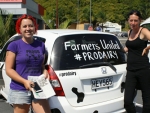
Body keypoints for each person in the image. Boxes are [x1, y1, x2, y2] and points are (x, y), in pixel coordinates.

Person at [5, 14, 51, 113]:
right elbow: (9, 69)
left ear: (35, 27)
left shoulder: (41, 45)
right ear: (20, 29)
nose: (28, 29)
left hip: (38, 86)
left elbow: (41, 65)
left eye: (30, 25)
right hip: (20, 89)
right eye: (24, 26)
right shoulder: (14, 45)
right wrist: (24, 81)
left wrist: (44, 71)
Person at [124, 10, 150, 113]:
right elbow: (127, 48)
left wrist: (147, 48)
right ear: (128, 21)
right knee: (127, 102)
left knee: (147, 100)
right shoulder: (129, 32)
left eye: (135, 20)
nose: (133, 23)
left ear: (140, 21)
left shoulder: (143, 31)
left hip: (143, 69)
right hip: (131, 71)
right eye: (131, 20)